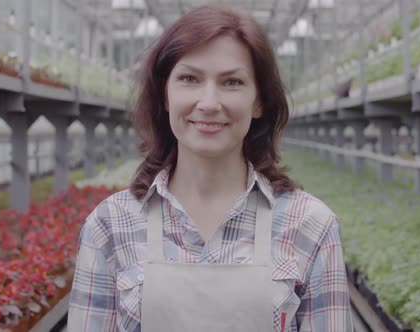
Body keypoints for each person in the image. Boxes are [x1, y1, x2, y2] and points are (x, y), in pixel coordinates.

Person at [68, 5, 353, 332]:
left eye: (231, 82)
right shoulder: (111, 225)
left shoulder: (310, 226)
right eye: (189, 78)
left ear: (259, 101)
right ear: (165, 95)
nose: (208, 102)